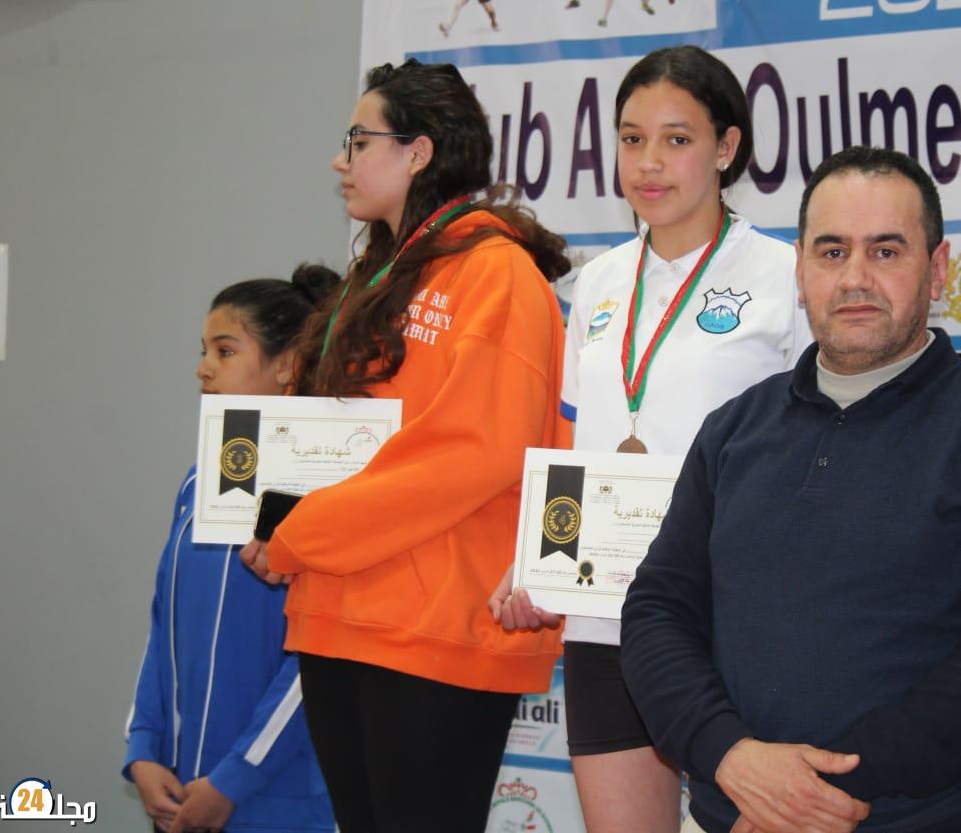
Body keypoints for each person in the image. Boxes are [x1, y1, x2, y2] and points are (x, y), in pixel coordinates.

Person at [621, 146, 961, 833]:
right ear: (800, 272)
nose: (855, 278)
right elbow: (658, 610)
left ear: (938, 270)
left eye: (886, 251)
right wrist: (732, 758)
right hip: (734, 811)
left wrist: (806, 797)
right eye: (832, 252)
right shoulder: (734, 429)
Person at [241, 59, 570, 833]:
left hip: (434, 627)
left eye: (358, 140)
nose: (341, 160)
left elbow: (474, 450)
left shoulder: (496, 274)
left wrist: (304, 530)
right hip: (336, 611)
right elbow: (329, 431)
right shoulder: (374, 276)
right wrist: (273, 519)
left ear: (418, 151)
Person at [490, 45, 812, 833]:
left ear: (727, 147)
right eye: (632, 139)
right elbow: (580, 442)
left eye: (677, 139)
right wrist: (536, 556)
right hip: (606, 616)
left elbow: (813, 448)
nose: (649, 163)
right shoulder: (598, 281)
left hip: (731, 612)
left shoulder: (784, 276)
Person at [123, 265, 341, 833]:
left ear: (287, 365)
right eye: (204, 351)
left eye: (225, 351)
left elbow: (319, 659)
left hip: (277, 801)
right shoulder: (201, 481)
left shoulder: (327, 493)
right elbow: (164, 624)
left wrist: (234, 779)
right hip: (177, 791)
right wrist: (143, 747)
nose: (203, 368)